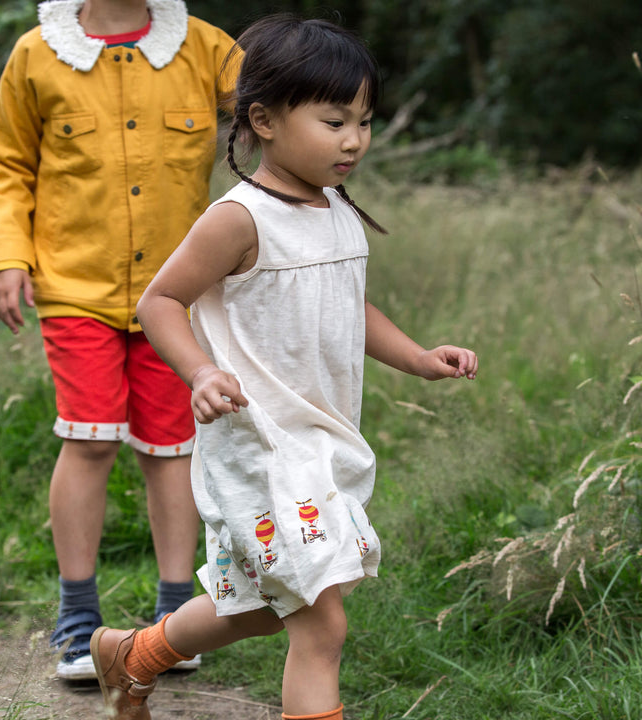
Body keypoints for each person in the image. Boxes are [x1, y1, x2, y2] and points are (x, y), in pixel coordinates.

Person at [90, 14, 478, 720]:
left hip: (322, 441)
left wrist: (418, 357)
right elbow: (160, 302)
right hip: (260, 443)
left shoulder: (336, 210)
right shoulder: (239, 219)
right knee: (321, 623)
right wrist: (201, 374)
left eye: (363, 121)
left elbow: (346, 305)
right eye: (334, 121)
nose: (354, 140)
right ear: (264, 119)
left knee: (267, 606)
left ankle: (132, 656)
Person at [0, 0, 238, 680]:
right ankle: (77, 621)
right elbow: (6, 163)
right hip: (74, 288)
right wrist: (9, 256)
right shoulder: (37, 52)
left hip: (174, 291)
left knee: (172, 446)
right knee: (91, 438)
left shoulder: (208, 49)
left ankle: (175, 621)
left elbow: (279, 112)